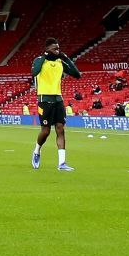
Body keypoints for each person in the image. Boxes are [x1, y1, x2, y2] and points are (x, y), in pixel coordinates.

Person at [31, 38, 83, 172]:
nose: (58, 51)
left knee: (60, 129)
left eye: (58, 49)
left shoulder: (60, 62)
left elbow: (77, 74)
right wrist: (44, 57)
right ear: (48, 49)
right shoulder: (39, 60)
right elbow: (34, 72)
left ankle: (62, 163)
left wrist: (66, 57)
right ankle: (37, 150)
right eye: (55, 49)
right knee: (46, 131)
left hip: (58, 99)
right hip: (44, 99)